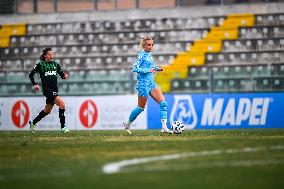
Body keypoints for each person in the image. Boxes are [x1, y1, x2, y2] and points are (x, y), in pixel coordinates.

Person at [123, 36, 173, 134]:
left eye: (152, 45)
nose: (151, 47)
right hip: (143, 85)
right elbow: (135, 68)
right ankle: (127, 123)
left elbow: (150, 67)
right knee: (140, 108)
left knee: (163, 103)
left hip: (151, 83)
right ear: (144, 45)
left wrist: (157, 68)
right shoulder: (141, 55)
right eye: (149, 45)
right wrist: (147, 70)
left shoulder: (149, 55)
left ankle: (164, 127)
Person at [28, 47, 70, 134]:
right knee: (62, 104)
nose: (51, 56)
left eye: (52, 54)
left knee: (47, 111)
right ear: (45, 56)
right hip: (47, 90)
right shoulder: (40, 65)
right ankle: (63, 127)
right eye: (49, 54)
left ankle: (33, 123)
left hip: (54, 90)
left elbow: (62, 75)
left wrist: (65, 76)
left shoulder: (56, 64)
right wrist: (34, 84)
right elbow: (31, 75)